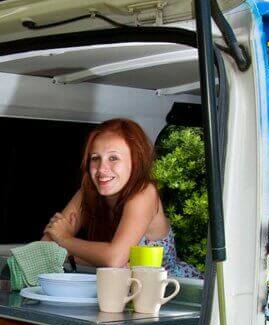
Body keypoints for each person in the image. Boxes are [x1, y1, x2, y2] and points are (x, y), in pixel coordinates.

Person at [43, 117, 201, 278]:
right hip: (120, 288)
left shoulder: (144, 192)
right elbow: (45, 249)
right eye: (95, 158)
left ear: (135, 161)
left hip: (171, 290)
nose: (101, 169)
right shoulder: (88, 191)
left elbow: (114, 258)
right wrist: (93, 256)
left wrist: (64, 239)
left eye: (113, 158)